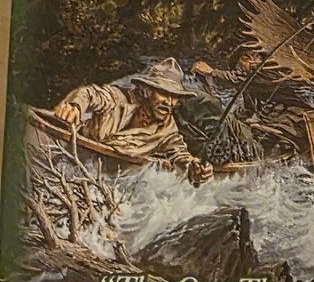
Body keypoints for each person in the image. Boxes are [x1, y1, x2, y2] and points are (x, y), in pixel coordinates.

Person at [51, 57, 214, 186]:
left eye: (175, 97)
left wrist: (193, 168)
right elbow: (89, 94)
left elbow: (179, 154)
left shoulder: (167, 127)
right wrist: (75, 106)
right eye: (164, 94)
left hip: (111, 182)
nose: (169, 102)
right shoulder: (117, 99)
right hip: (71, 160)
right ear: (147, 91)